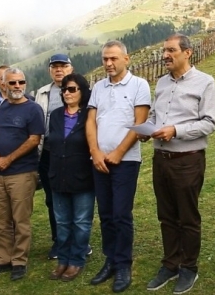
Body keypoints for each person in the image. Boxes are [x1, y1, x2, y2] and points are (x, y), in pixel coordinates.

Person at [144, 33, 215, 295]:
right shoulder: (162, 83)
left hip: (187, 160)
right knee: (166, 215)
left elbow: (209, 123)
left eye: (171, 50)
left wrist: (176, 130)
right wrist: (148, 128)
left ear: (187, 52)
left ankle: (189, 267)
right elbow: (154, 114)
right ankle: (170, 264)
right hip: (160, 159)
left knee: (187, 216)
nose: (165, 55)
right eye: (164, 50)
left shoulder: (205, 83)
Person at [86, 40, 151, 292]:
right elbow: (91, 121)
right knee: (105, 214)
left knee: (121, 214)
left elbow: (140, 122)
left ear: (127, 58)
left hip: (126, 161)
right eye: (105, 59)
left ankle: (123, 264)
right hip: (99, 161)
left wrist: (118, 153)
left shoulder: (139, 85)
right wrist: (95, 152)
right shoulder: (98, 87)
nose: (108, 63)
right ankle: (110, 260)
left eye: (113, 58)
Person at [0, 68, 45, 281]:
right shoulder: (0, 108)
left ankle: (19, 261)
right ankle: (3, 259)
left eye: (21, 82)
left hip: (22, 172)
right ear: (4, 85)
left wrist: (7, 159)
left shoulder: (33, 109)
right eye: (12, 83)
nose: (17, 86)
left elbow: (34, 139)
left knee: (20, 219)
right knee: (1, 219)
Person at [46, 73, 95, 282]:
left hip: (82, 176)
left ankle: (76, 260)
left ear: (82, 91)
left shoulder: (89, 116)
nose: (67, 93)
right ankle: (63, 259)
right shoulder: (56, 115)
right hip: (58, 176)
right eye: (64, 89)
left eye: (72, 89)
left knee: (81, 222)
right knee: (62, 222)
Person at [34, 53, 74, 260]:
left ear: (70, 68)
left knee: (76, 197)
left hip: (74, 155)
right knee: (52, 199)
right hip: (48, 154)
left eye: (63, 66)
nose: (59, 69)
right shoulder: (42, 93)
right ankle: (58, 240)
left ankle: (77, 241)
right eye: (54, 66)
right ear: (50, 70)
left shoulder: (80, 90)